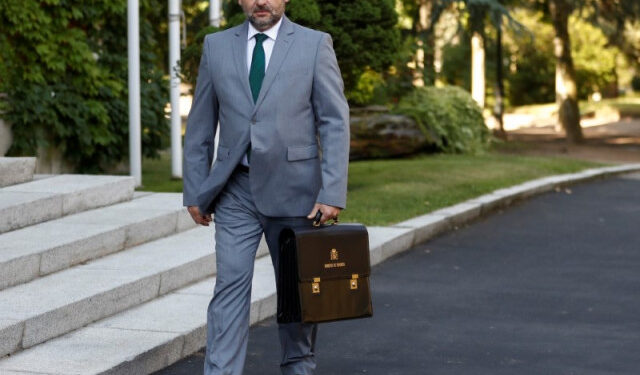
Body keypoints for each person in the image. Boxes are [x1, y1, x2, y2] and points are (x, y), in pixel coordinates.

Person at [181, 0, 350, 373]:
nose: (261, 1)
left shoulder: (314, 44)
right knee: (228, 290)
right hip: (235, 191)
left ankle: (298, 367)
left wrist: (332, 191)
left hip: (297, 194)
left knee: (296, 296)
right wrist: (195, 189)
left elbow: (334, 121)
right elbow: (200, 123)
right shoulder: (217, 46)